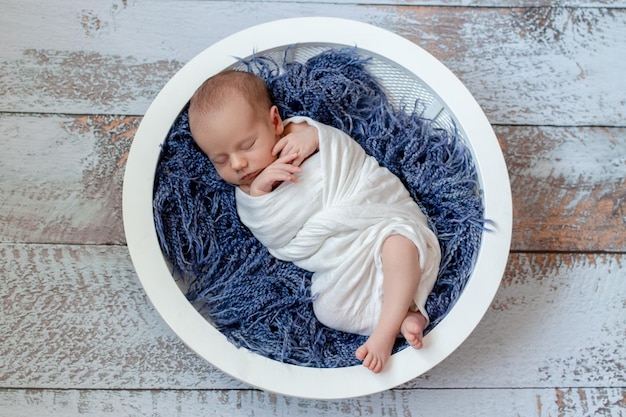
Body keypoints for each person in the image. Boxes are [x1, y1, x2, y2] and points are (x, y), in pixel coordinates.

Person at [188, 70, 441, 374]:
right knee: (328, 310)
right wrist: (260, 194)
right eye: (221, 160)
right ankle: (405, 316)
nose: (238, 164)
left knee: (399, 245)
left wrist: (317, 136)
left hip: (375, 218)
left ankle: (384, 333)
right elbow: (275, 237)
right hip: (342, 259)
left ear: (274, 121)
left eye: (247, 145)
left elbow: (349, 155)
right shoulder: (249, 195)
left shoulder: (301, 133)